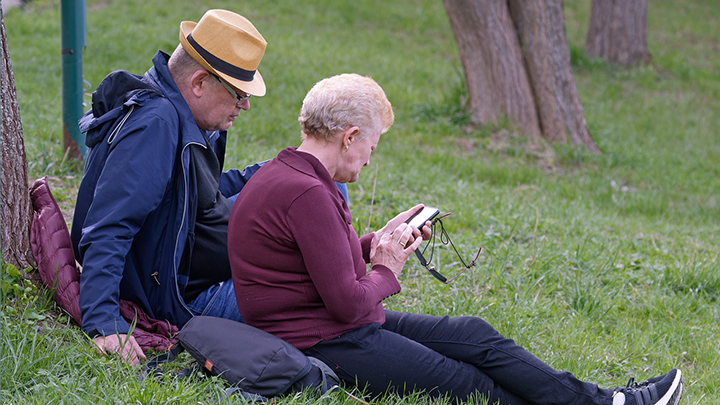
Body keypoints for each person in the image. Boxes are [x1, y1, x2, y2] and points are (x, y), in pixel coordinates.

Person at [227, 74, 684, 405]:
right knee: (469, 384)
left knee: (474, 334)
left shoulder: (288, 172)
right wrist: (387, 267)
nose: (369, 161)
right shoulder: (305, 191)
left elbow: (314, 256)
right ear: (349, 137)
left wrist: (378, 241)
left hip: (333, 325)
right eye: (372, 146)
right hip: (322, 341)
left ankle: (606, 402)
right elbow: (347, 303)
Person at [71, 9, 276, 365]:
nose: (244, 106)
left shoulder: (179, 113)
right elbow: (109, 225)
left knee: (315, 178)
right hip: (184, 297)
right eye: (239, 94)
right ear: (199, 83)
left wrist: (273, 172)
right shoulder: (157, 125)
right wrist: (105, 323)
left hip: (194, 267)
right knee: (306, 298)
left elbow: (195, 195)